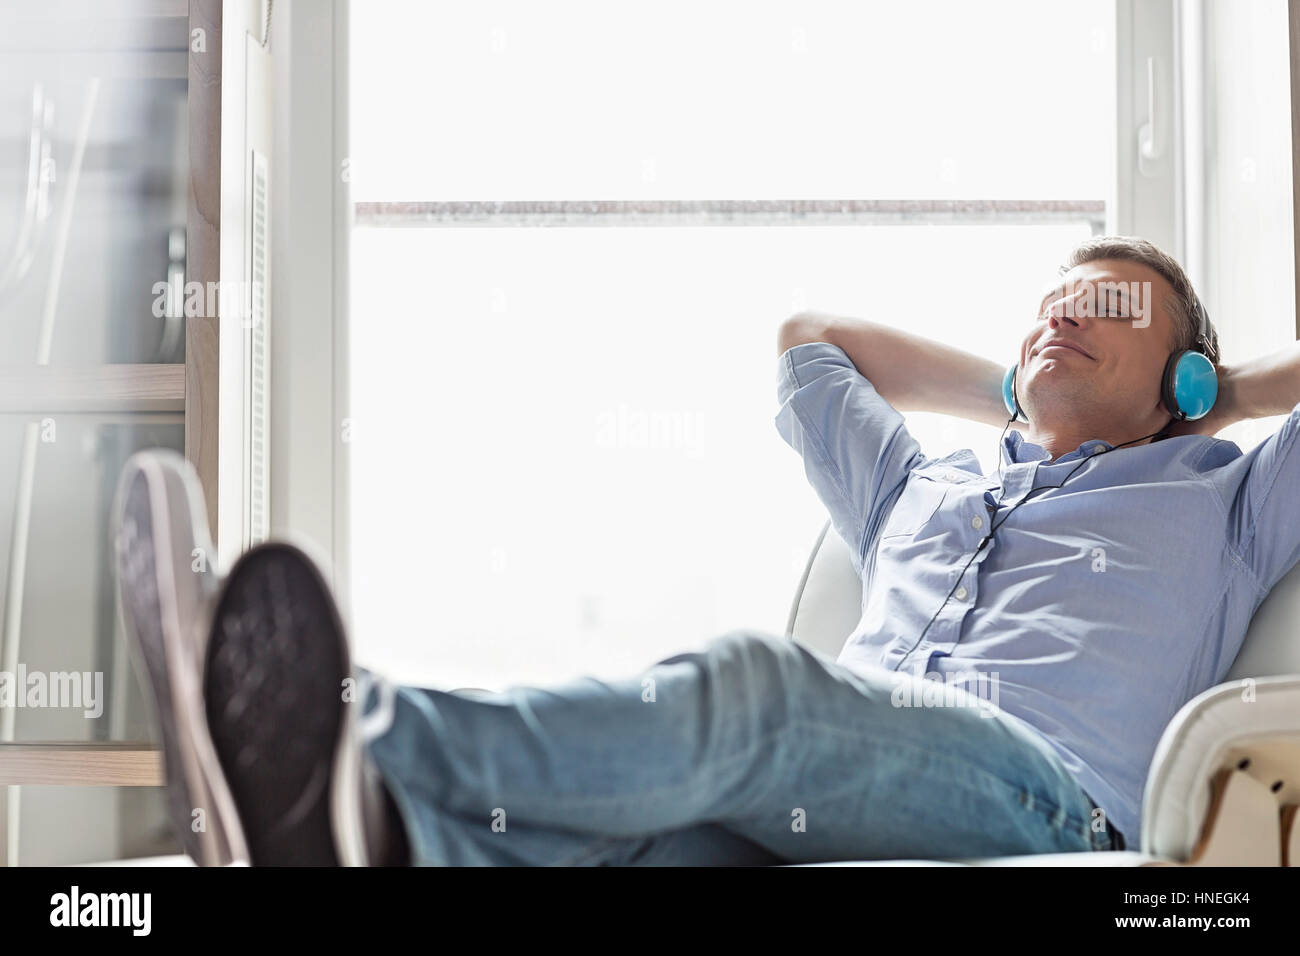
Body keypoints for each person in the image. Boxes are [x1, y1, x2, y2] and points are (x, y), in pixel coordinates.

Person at [114, 235, 1300, 866]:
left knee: (757, 690)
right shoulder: (922, 489)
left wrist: (1229, 395)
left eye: (1110, 307)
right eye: (1051, 301)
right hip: (847, 783)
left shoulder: (1223, 499)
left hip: (1045, 798)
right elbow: (808, 340)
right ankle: (352, 834)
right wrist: (1015, 377)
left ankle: (325, 724)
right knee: (619, 844)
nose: (1064, 315)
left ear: (1182, 378)